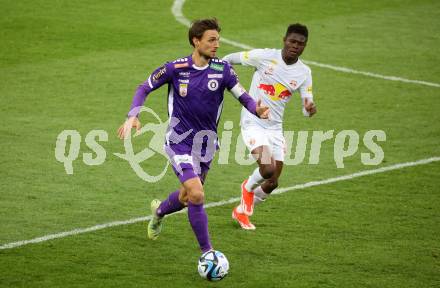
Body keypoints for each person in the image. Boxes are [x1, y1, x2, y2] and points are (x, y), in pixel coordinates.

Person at [117, 18, 269, 254]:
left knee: (187, 196)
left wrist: (256, 109)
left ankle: (158, 213)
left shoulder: (223, 70)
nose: (216, 45)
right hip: (179, 141)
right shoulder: (175, 68)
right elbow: (144, 87)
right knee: (197, 194)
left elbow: (243, 96)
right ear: (196, 41)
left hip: (206, 145)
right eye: (211, 40)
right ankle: (207, 253)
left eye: (217, 39)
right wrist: (132, 115)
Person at [223, 23, 317, 230]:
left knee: (272, 182)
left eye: (300, 44)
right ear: (284, 40)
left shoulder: (304, 72)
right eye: (292, 41)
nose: (295, 46)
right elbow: (228, 59)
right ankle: (246, 189)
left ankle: (241, 212)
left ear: (305, 46)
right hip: (253, 122)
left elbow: (305, 104)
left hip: (275, 128)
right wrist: (226, 79)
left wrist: (308, 108)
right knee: (267, 168)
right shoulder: (264, 57)